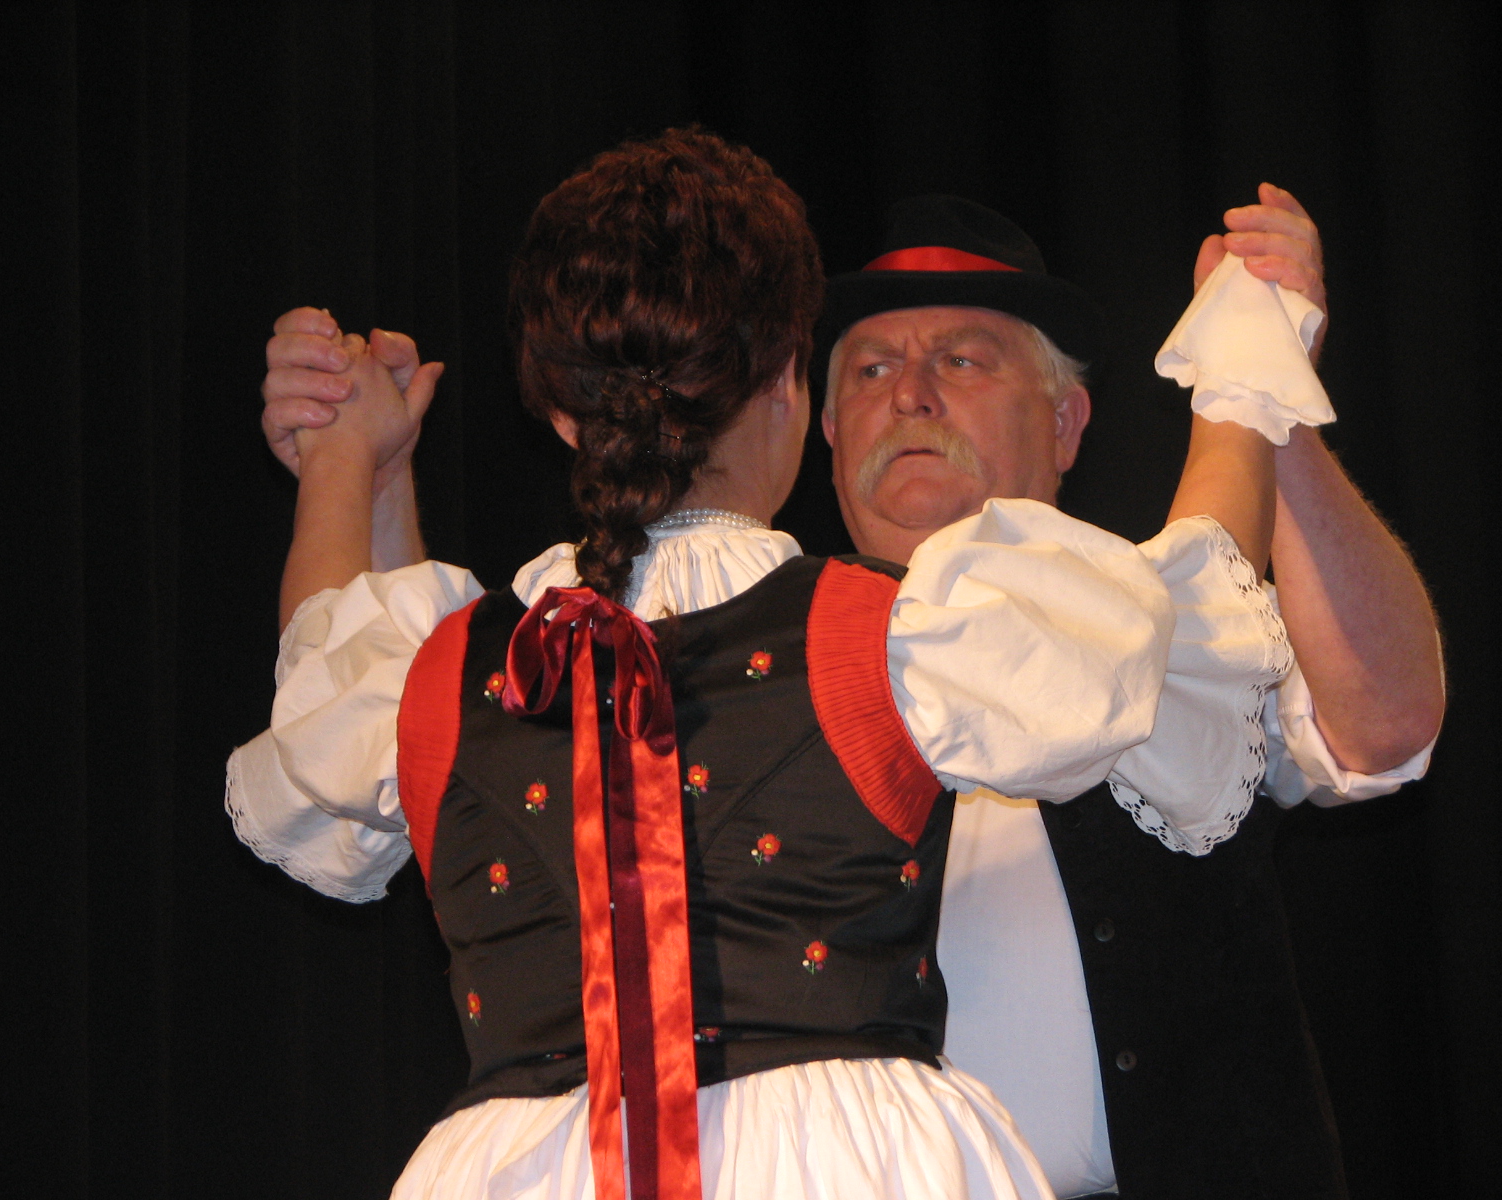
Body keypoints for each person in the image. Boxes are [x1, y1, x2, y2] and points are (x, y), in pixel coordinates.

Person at [229, 129, 1290, 1200]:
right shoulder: (877, 635)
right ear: (788, 378)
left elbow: (324, 668)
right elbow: (1190, 607)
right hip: (843, 1168)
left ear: (559, 414)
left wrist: (343, 456)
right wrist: (1244, 371)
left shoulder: (443, 669)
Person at [809, 190, 1443, 1199]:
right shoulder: (758, 661)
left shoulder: (1179, 629)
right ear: (827, 431)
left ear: (1065, 423)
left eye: (961, 361)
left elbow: (1385, 726)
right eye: (872, 369)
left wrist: (1270, 397)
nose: (912, 395)